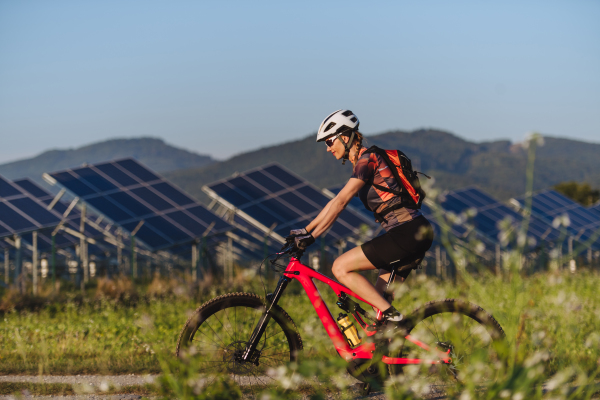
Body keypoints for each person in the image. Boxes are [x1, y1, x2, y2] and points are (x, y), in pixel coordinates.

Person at [289, 109, 433, 329]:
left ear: (345, 137)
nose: (328, 149)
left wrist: (310, 235)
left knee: (340, 268)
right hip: (412, 232)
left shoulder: (368, 159)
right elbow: (335, 202)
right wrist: (306, 231)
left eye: (329, 142)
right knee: (377, 308)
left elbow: (340, 202)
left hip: (407, 232)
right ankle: (388, 353)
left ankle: (395, 319)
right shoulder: (363, 162)